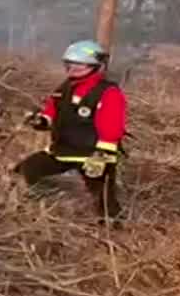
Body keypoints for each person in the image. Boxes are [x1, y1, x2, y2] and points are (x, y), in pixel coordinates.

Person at [14, 39, 126, 224]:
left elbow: (112, 127)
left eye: (79, 65)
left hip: (93, 155)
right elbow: (51, 112)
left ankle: (113, 231)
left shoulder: (108, 92)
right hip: (62, 151)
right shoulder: (64, 88)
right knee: (27, 169)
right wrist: (40, 121)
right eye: (70, 64)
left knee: (104, 201)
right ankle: (49, 209)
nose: (73, 69)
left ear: (95, 66)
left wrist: (101, 156)